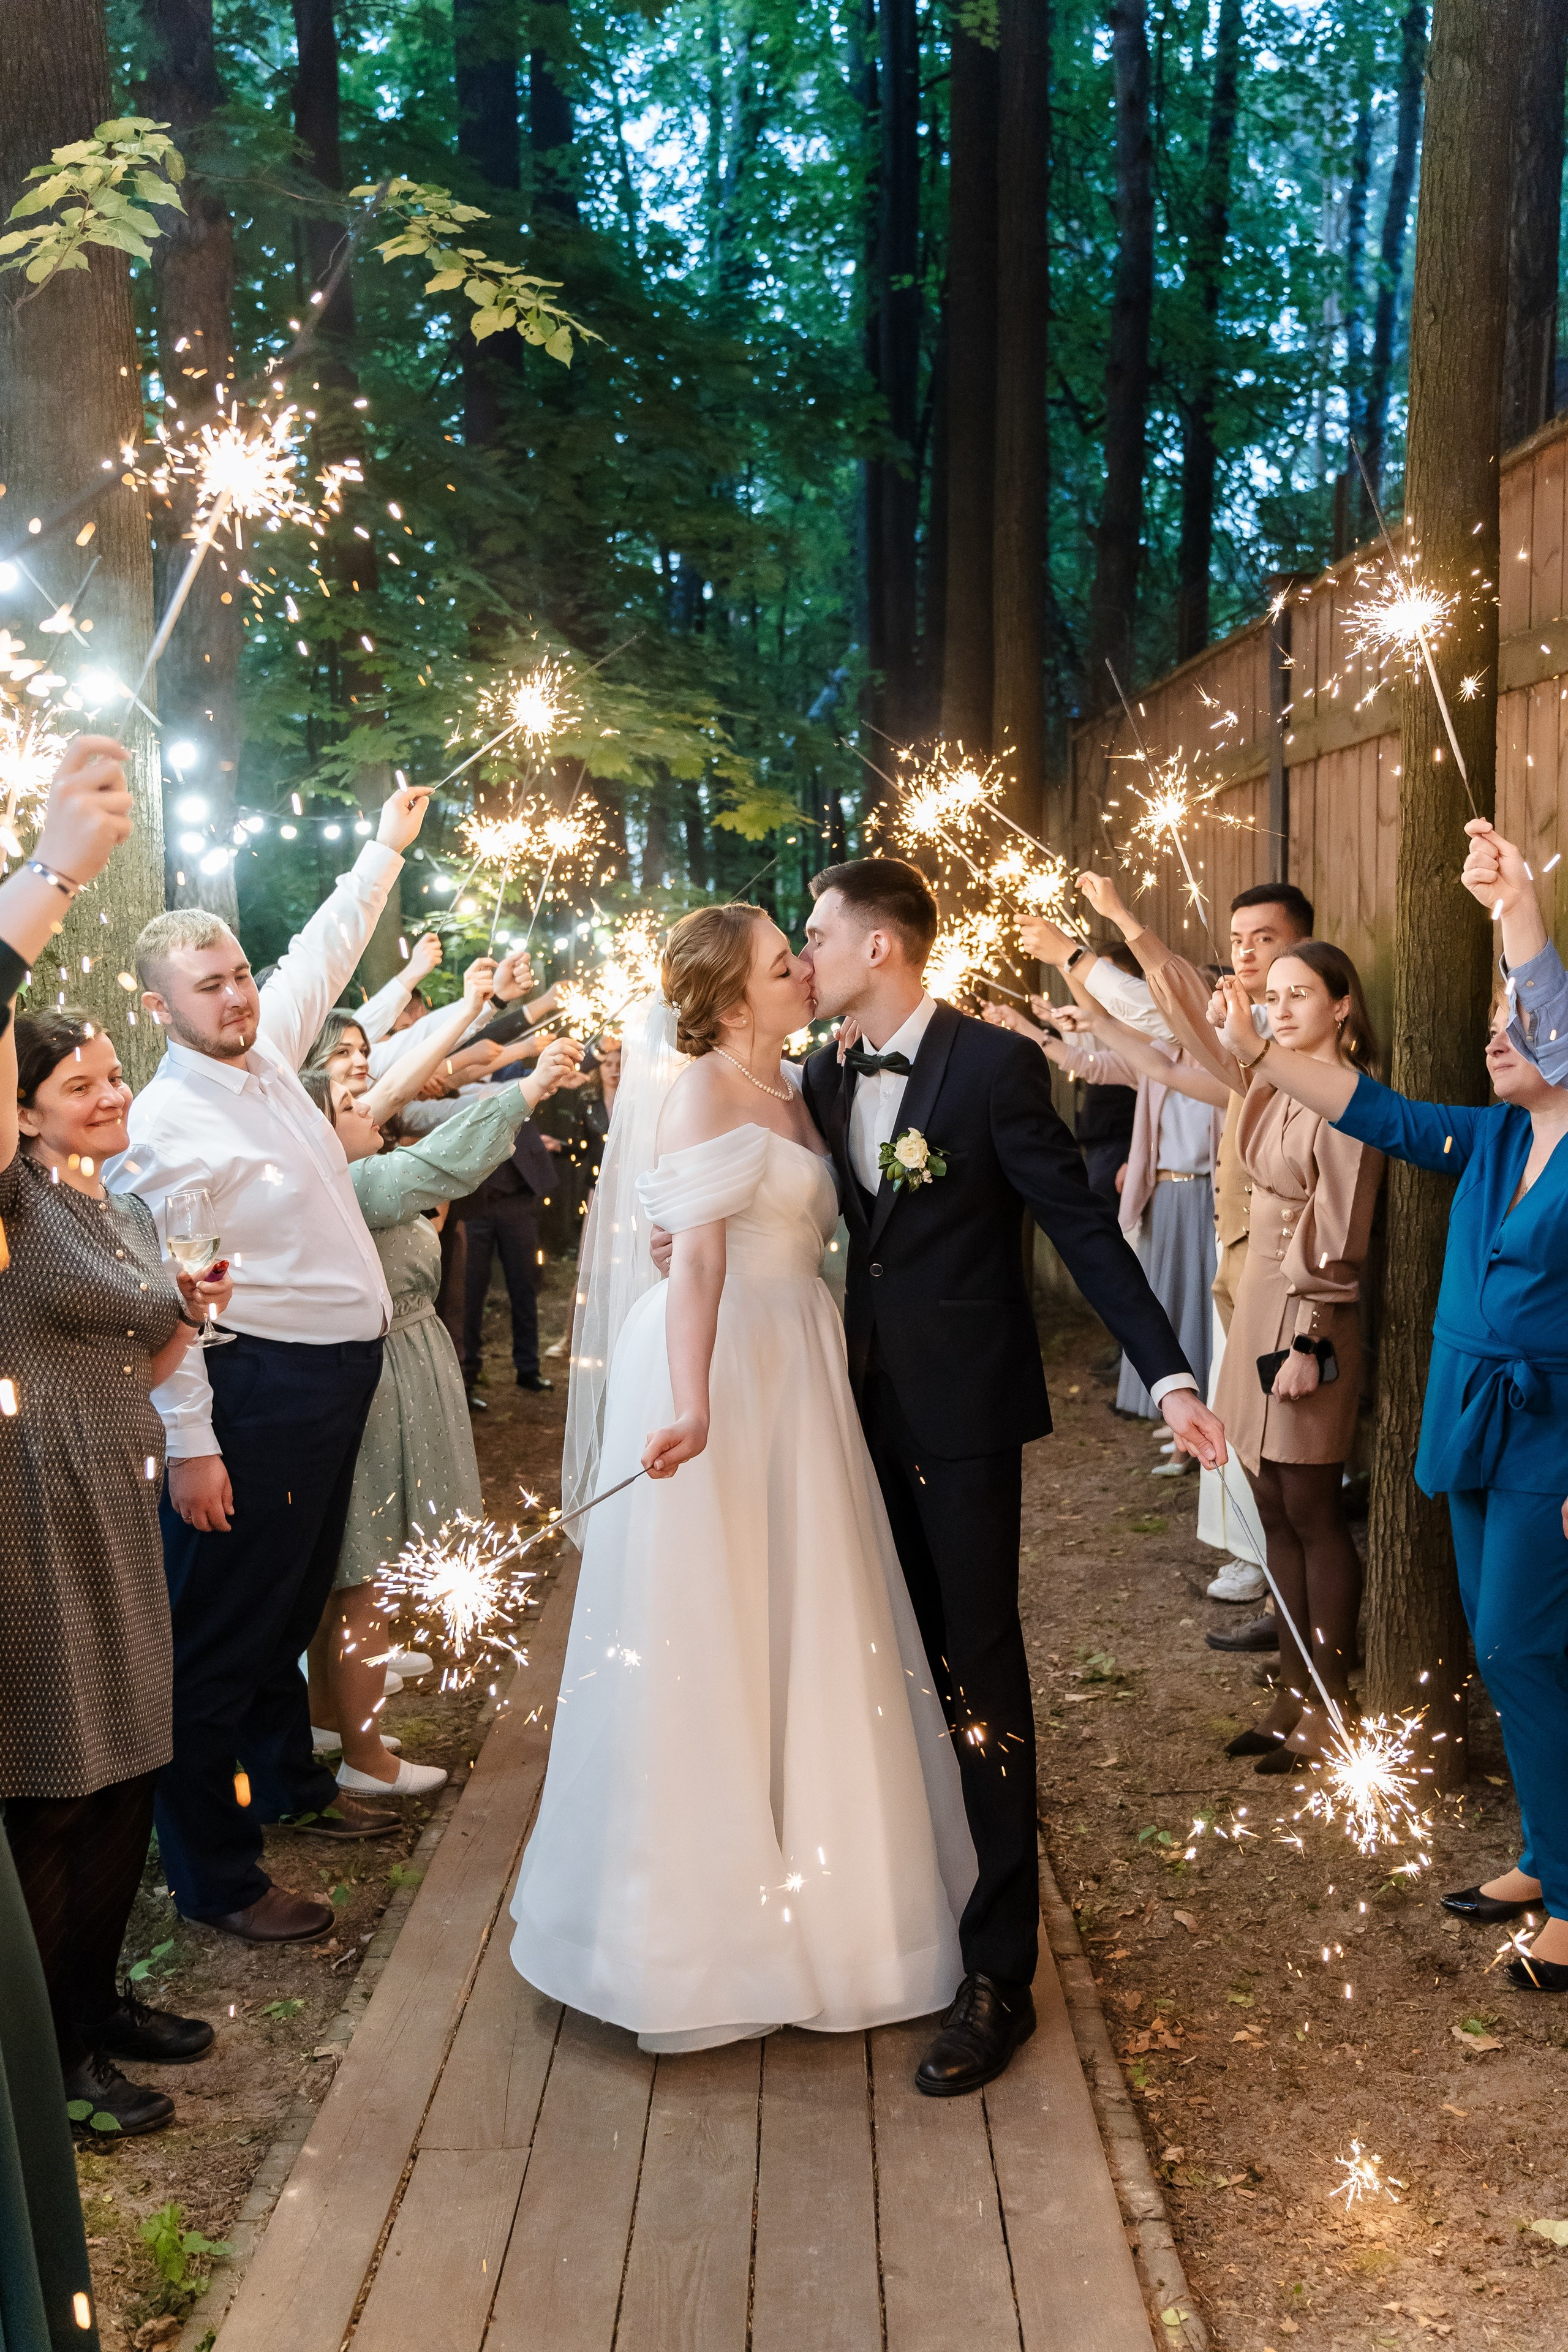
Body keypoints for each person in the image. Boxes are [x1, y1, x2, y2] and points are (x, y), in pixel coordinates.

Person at [511, 904, 978, 2056]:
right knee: (711, 1630)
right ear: (731, 1002)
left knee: (811, 1613)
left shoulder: (804, 1085)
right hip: (726, 1362)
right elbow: (701, 1259)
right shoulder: (703, 1091)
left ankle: (838, 1908)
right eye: (785, 963)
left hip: (803, 1363)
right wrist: (691, 1399)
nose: (805, 969)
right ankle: (695, 1935)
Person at [793, 859, 1225, 2092]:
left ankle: (998, 1971)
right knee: (881, 1655)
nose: (801, 955)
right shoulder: (820, 1075)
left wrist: (1172, 1372)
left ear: (880, 948)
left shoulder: (989, 1066)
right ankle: (903, 1901)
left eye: (817, 936)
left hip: (962, 1417)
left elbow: (1078, 1226)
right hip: (837, 1412)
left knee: (978, 1662)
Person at [105, 782, 434, 1945]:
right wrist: (193, 1448)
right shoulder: (166, 1128)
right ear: (162, 1008)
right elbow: (167, 1308)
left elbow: (324, 951)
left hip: (331, 1389)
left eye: (241, 973)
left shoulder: (268, 1052)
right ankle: (218, 1877)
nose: (240, 994)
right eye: (212, 986)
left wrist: (383, 853)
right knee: (226, 1636)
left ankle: (289, 1787)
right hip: (256, 1397)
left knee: (289, 1611)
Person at [1246, 817, 1568, 1994]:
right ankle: (1544, 1854)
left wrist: (1512, 905)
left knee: (1524, 1647)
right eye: (1491, 1024)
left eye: (1516, 1024)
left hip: (1557, 1438)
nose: (1497, 1037)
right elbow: (1364, 1107)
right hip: (1472, 1419)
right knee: (1506, 1649)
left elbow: (1546, 989)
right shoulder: (1489, 1139)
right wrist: (1262, 1033)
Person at [0, 739, 228, 2136]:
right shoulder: (15, 1202)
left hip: (107, 1487)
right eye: (75, 1076)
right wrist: (49, 874)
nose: (105, 1089)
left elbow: (139, 1332)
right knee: (57, 1781)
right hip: (30, 1514)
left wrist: (177, 1303)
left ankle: (98, 1998)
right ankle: (50, 2055)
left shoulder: (93, 1197)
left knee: (130, 1756)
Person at [300, 1028, 582, 1796]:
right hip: (377, 1384)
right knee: (365, 1577)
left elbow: (433, 1127)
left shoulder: (354, 1171)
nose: (375, 1106)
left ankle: (329, 1717)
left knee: (352, 1572)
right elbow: (437, 1161)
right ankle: (368, 1761)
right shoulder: (350, 1185)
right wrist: (528, 1090)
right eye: (354, 1101)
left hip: (396, 1375)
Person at [1047, 878, 1317, 1620]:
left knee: (1281, 1443)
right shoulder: (1249, 1039)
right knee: (1238, 1414)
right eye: (1238, 940)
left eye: (1264, 938)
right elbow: (1164, 1058)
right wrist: (1089, 1018)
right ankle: (1256, 1563)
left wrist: (1095, 936)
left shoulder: (1278, 1037)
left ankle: (1274, 1581)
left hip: (1286, 1271)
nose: (1246, 952)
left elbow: (1166, 1013)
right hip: (1238, 1255)